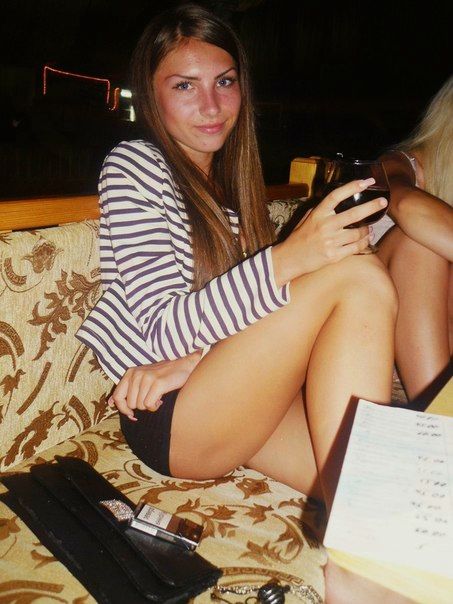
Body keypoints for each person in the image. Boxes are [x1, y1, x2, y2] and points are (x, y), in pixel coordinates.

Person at [77, 3, 402, 602]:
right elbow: (161, 330)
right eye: (185, 85)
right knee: (358, 278)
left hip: (229, 400)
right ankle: (354, 568)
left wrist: (198, 360)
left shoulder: (232, 185)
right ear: (150, 94)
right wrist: (290, 259)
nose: (211, 105)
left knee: (388, 487)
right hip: (173, 419)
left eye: (224, 82)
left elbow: (247, 323)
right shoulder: (135, 165)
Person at [375, 75, 453, 407]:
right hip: (370, 353)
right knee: (419, 244)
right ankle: (439, 418)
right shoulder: (400, 165)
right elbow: (406, 205)